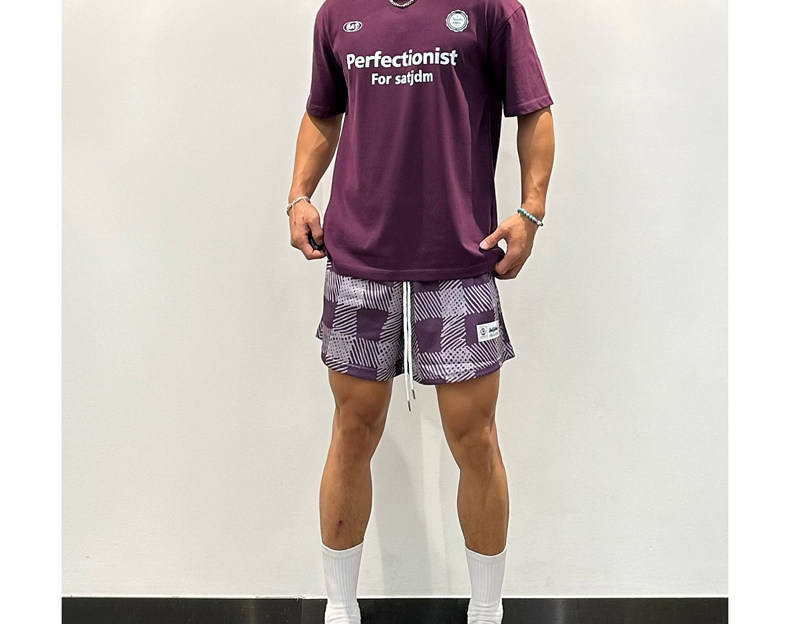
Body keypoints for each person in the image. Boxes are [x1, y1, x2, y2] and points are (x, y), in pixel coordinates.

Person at [287, 0, 555, 621]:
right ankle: (340, 609)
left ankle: (486, 612)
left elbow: (534, 109)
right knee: (352, 432)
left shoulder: (490, 8)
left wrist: (531, 209)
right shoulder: (338, 13)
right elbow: (322, 112)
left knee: (475, 440)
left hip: (457, 262)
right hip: (360, 263)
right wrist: (298, 194)